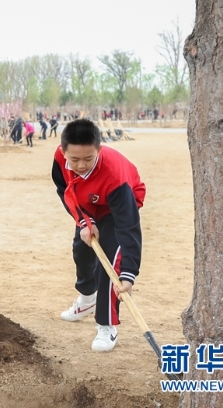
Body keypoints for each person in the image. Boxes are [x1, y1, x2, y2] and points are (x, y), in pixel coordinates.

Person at [52, 118, 145, 352]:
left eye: (88, 159)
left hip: (117, 207)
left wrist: (129, 274)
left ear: (99, 150)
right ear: (63, 152)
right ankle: (86, 300)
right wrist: (84, 221)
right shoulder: (60, 159)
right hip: (87, 203)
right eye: (74, 159)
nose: (81, 165)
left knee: (109, 265)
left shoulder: (115, 176)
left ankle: (107, 325)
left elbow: (128, 226)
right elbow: (65, 190)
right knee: (81, 251)